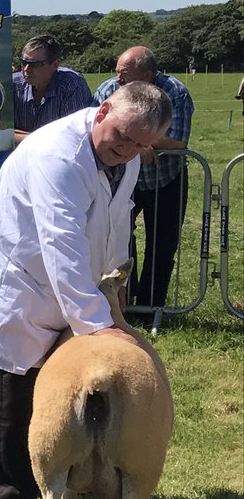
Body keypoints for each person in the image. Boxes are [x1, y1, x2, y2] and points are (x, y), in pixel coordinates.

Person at [0, 82, 172, 499]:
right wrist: (96, 325)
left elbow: (116, 219)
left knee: (57, 394)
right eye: (122, 137)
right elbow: (60, 241)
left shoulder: (122, 160)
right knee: (12, 397)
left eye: (141, 145)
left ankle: (64, 476)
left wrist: (115, 281)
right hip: (15, 286)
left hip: (66, 288)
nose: (127, 150)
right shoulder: (58, 155)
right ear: (103, 109)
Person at [94, 47, 194, 308]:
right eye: (117, 73)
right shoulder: (108, 91)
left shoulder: (175, 92)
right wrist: (142, 146)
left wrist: (136, 141)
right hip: (122, 180)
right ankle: (123, 304)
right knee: (118, 241)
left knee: (162, 244)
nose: (117, 80)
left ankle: (152, 305)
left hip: (165, 179)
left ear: (147, 75)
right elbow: (95, 128)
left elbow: (179, 141)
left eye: (124, 74)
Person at [12, 35, 94, 143]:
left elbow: (74, 137)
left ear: (55, 64)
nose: (26, 69)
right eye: (24, 62)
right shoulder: (13, 85)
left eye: (34, 64)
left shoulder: (71, 85)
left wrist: (20, 137)